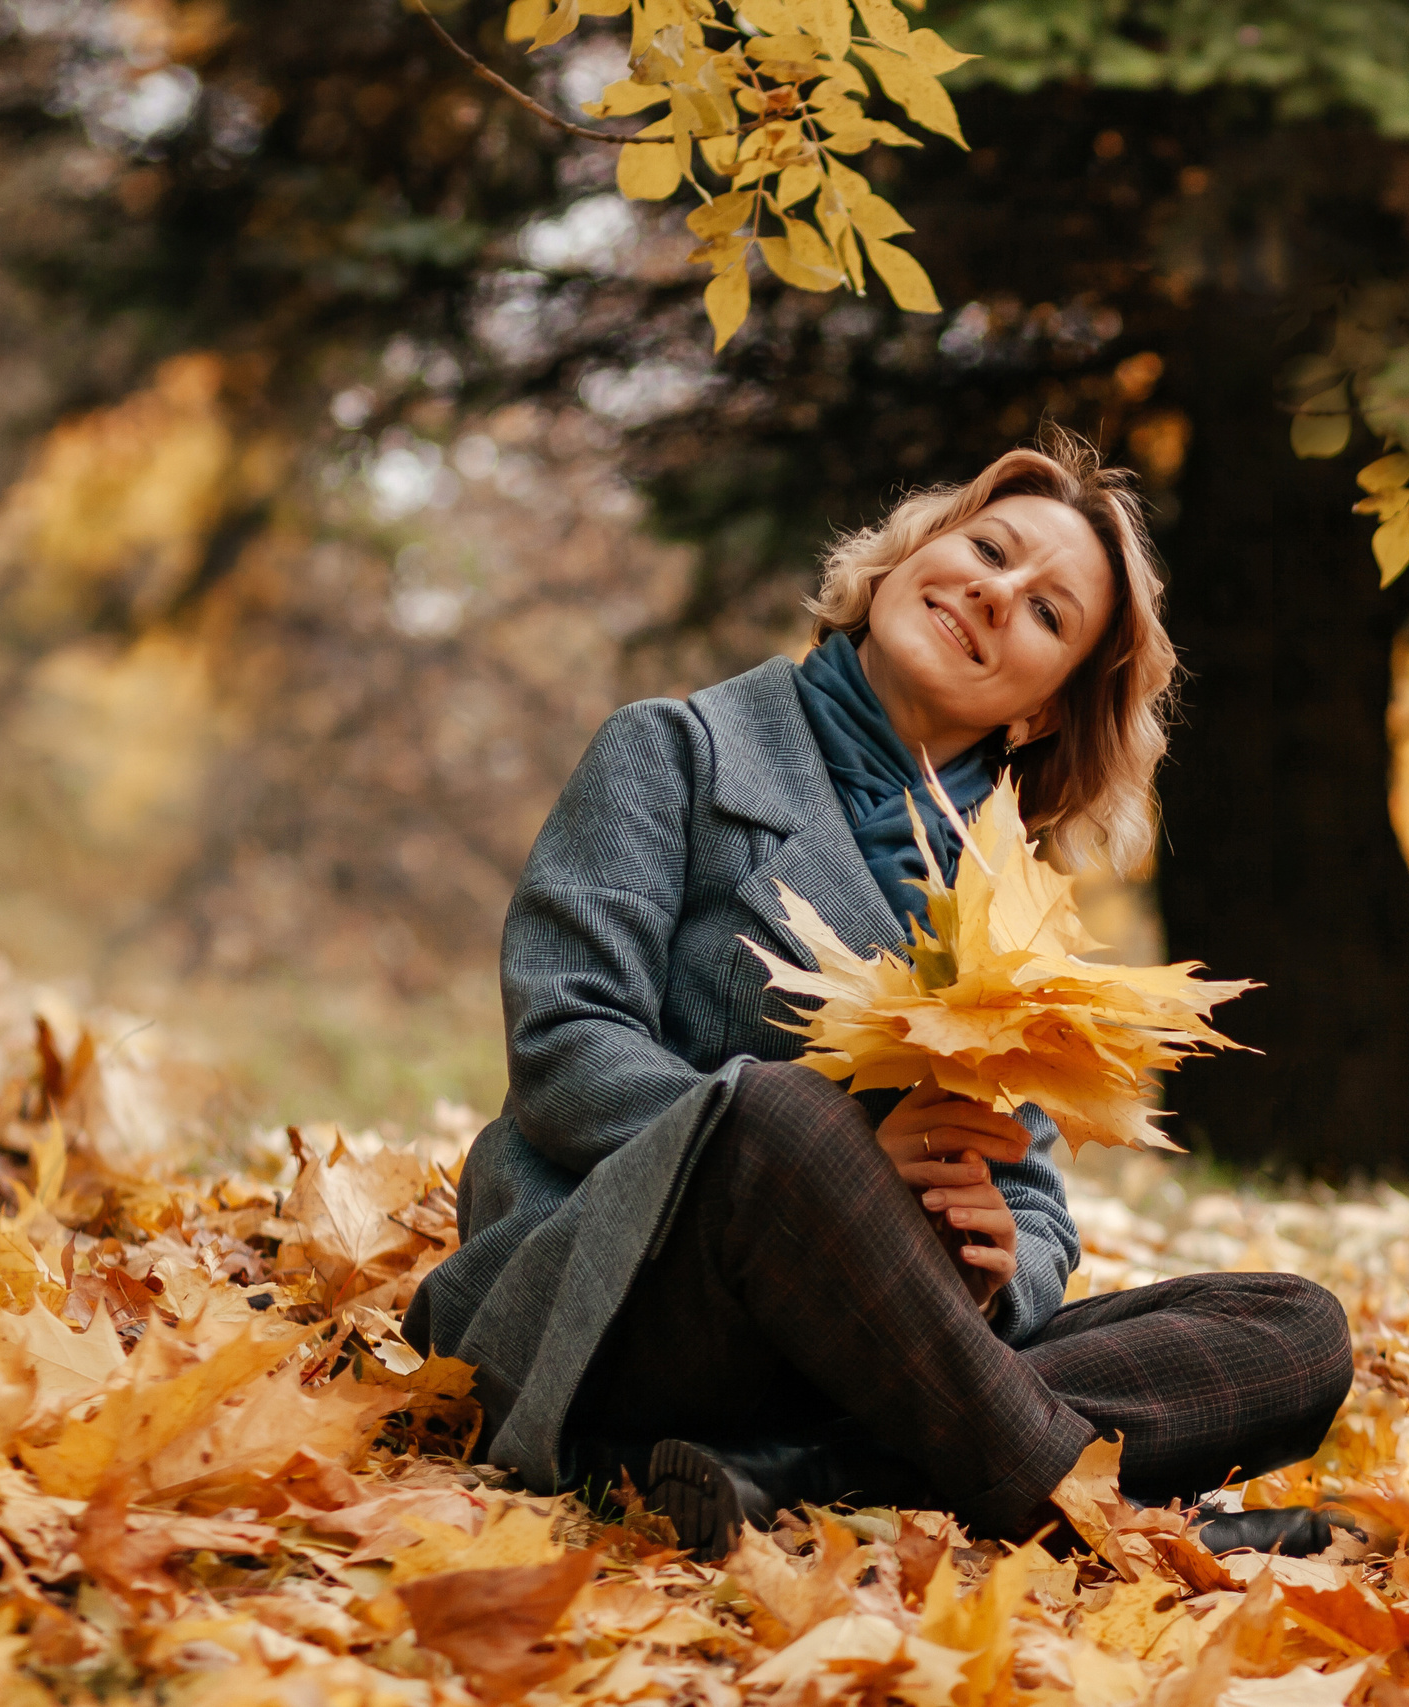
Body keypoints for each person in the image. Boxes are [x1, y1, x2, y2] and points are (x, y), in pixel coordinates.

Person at [404, 429, 1354, 1560]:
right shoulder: (677, 753)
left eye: (1048, 613)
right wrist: (849, 1159)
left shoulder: (1005, 904)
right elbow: (564, 1046)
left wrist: (1003, 1267)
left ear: (1044, 708)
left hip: (871, 1358)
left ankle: (805, 1477)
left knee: (1293, 1328)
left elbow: (1038, 1206)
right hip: (630, 1311)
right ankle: (1103, 1523)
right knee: (777, 1112)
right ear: (908, 560)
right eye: (989, 550)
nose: (998, 594)